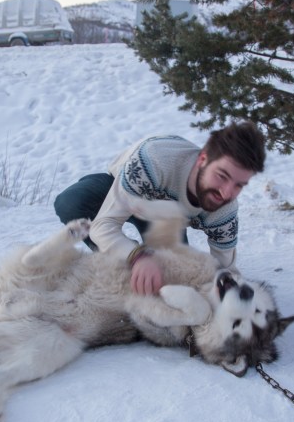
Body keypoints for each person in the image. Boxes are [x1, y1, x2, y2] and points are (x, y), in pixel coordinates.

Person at [54, 121, 266, 296]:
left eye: (239, 185)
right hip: (126, 189)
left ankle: (142, 264)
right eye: (222, 176)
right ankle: (117, 264)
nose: (227, 193)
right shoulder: (154, 161)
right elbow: (103, 225)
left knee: (175, 281)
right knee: (71, 202)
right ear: (203, 159)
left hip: (170, 218)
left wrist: (229, 292)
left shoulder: (225, 211)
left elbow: (224, 268)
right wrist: (138, 257)